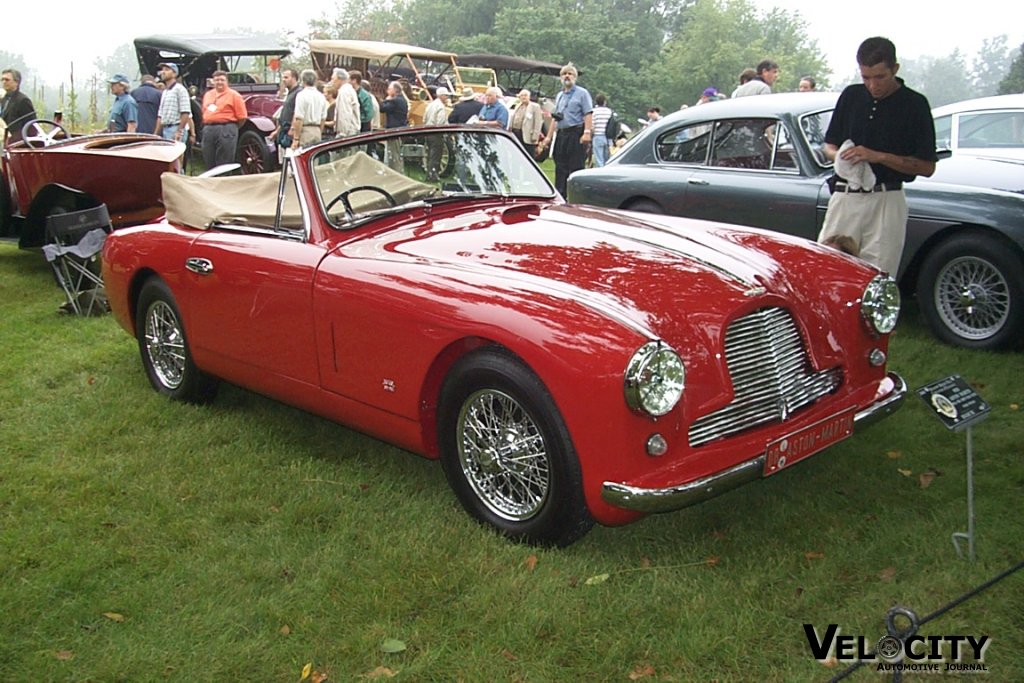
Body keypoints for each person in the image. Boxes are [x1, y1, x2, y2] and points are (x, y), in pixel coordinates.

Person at [817, 37, 937, 277]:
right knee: (829, 272)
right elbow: (829, 146)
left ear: (895, 69)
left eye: (880, 77)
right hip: (845, 196)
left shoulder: (915, 105)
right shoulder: (851, 96)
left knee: (877, 277)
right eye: (866, 78)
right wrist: (843, 156)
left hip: (886, 199)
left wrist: (877, 156)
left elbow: (926, 166)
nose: (873, 85)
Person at [539, 63, 593, 197]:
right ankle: (560, 195)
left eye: (570, 74)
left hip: (576, 133)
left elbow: (588, 114)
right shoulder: (560, 96)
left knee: (575, 166)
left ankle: (576, 196)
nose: (567, 76)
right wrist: (548, 138)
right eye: (564, 74)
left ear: (575, 77)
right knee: (560, 166)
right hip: (562, 134)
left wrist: (587, 132)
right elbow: (555, 117)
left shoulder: (582, 93)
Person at [201, 70, 248, 169]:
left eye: (222, 80)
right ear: (213, 82)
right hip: (208, 129)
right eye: (217, 80)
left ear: (227, 82)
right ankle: (211, 182)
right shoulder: (208, 95)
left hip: (226, 129)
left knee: (224, 162)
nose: (219, 82)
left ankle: (223, 182)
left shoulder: (234, 95)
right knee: (208, 158)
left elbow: (242, 117)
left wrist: (232, 128)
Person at [154, 62, 193, 149]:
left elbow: (186, 112)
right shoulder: (165, 92)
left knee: (177, 158)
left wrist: (179, 131)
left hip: (175, 128)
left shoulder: (180, 89)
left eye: (167, 70)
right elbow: (160, 115)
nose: (163, 72)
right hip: (165, 129)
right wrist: (155, 134)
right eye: (162, 70)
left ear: (174, 73)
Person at [290, 69, 327, 150]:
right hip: (317, 131)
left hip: (305, 130)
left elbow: (299, 118)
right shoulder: (321, 96)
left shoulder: (301, 95)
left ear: (303, 80)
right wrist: (319, 132)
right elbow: (323, 118)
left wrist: (296, 138)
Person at [1, 68, 36, 144]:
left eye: (7, 80)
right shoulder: (3, 99)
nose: (3, 82)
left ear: (16, 82)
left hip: (16, 145)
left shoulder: (23, 100)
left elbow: (32, 126)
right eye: (2, 79)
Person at [423, 87, 451, 181]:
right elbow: (440, 122)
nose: (447, 97)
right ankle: (433, 175)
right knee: (436, 155)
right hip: (436, 133)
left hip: (428, 131)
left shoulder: (430, 105)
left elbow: (424, 118)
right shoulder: (441, 107)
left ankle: (429, 174)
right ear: (441, 95)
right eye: (446, 95)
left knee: (430, 154)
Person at [380, 81, 408, 171]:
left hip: (394, 130)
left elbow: (382, 108)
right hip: (400, 128)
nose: (387, 90)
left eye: (389, 89)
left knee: (393, 154)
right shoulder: (402, 100)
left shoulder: (395, 101)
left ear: (395, 90)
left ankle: (395, 172)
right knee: (396, 152)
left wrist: (387, 99)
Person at [273, 69, 300, 159]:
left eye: (286, 77)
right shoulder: (290, 93)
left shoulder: (298, 93)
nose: (283, 80)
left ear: (294, 78)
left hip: (292, 131)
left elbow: (297, 113)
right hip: (285, 129)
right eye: (282, 77)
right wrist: (277, 131)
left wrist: (292, 129)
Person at [332, 68, 360, 139]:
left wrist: (342, 134)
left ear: (339, 79)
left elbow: (344, 113)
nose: (332, 81)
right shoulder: (349, 90)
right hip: (352, 131)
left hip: (348, 133)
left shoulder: (344, 92)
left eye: (333, 79)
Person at [590, 93, 613, 167]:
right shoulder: (609, 111)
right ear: (605, 102)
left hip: (597, 136)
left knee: (599, 159)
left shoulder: (594, 112)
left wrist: (590, 136)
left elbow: (592, 127)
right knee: (608, 160)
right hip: (608, 137)